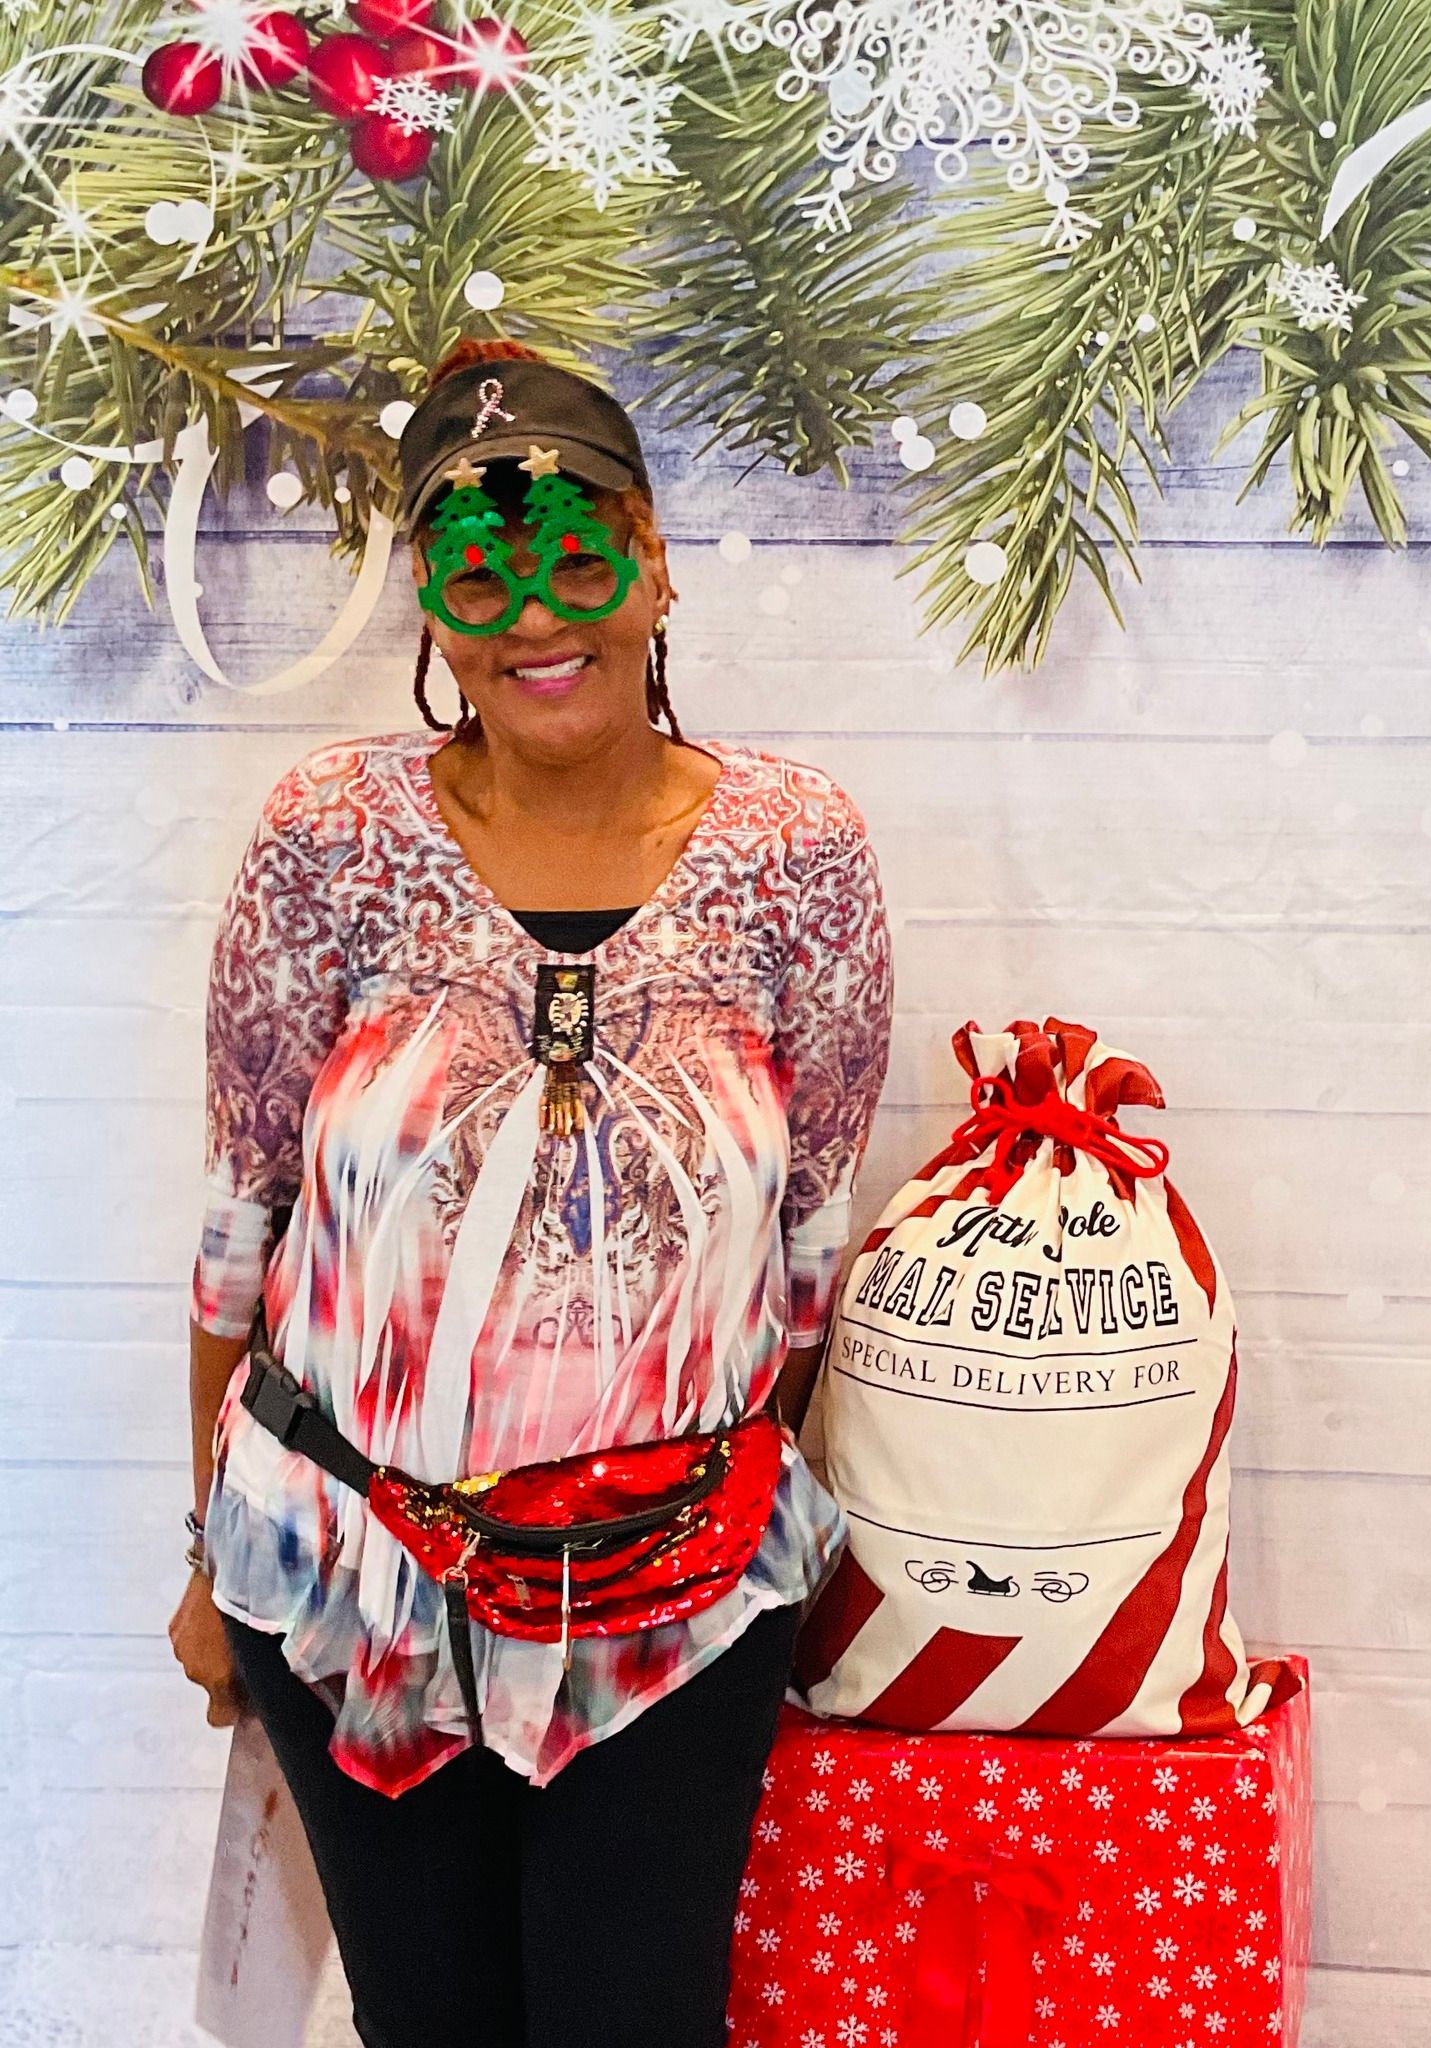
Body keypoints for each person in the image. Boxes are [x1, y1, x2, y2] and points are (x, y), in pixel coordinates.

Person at [165, 335, 894, 2048]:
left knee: (630, 2020)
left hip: (676, 1589)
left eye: (576, 548)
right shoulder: (328, 832)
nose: (532, 611)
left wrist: (686, 1490)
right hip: (351, 1578)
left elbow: (811, 1248)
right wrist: (208, 1563)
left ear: (649, 561)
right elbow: (236, 1225)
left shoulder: (798, 848)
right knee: (432, 2023)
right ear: (430, 600)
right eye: (473, 565)